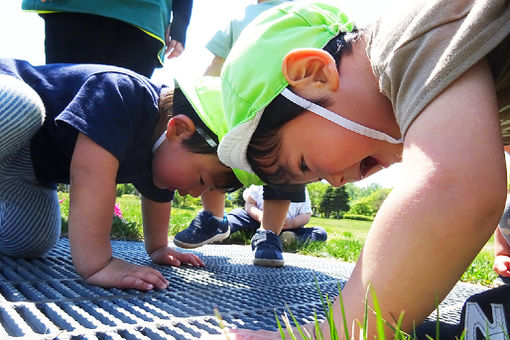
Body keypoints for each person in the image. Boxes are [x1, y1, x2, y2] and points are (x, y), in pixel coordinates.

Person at [212, 0, 510, 337]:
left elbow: (454, 189)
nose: (337, 182)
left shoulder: (404, 37)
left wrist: (335, 332)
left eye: (307, 163)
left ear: (314, 73)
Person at [0, 59, 254, 292]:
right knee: (20, 107)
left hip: (28, 171)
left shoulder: (162, 151)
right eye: (201, 180)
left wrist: (158, 247)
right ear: (178, 129)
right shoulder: (121, 93)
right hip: (10, 111)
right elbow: (90, 174)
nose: (196, 193)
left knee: (31, 239)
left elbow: (158, 194)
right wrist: (98, 262)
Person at [174, 0, 303, 268]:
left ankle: (269, 234)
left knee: (283, 171)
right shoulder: (237, 20)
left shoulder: (299, 13)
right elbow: (215, 67)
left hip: (284, 109)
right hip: (237, 110)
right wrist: (200, 102)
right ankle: (213, 218)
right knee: (214, 155)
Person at [21, 0, 193, 78]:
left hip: (144, 19)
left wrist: (182, 19)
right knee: (61, 103)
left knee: (119, 118)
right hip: (78, 9)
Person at [227, 185, 327, 251]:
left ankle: (291, 240)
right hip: (259, 223)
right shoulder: (259, 183)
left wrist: (293, 222)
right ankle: (225, 228)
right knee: (238, 213)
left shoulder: (300, 187)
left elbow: (306, 214)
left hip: (290, 228)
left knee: (320, 232)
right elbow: (249, 204)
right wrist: (260, 216)